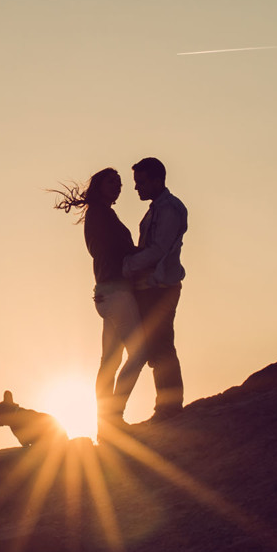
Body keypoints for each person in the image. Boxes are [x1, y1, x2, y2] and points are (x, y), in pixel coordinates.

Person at [53, 168, 140, 425]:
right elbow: (117, 250)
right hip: (117, 292)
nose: (118, 186)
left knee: (110, 361)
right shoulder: (101, 215)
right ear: (99, 185)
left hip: (105, 292)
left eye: (120, 183)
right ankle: (113, 415)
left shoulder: (99, 214)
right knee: (139, 353)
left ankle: (105, 422)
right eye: (112, 181)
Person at [114, 156, 188, 421]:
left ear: (157, 180)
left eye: (141, 182)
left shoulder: (168, 209)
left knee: (161, 344)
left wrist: (128, 264)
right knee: (156, 346)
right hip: (150, 287)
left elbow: (158, 250)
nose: (136, 188)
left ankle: (169, 407)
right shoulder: (158, 208)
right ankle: (167, 405)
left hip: (161, 286)